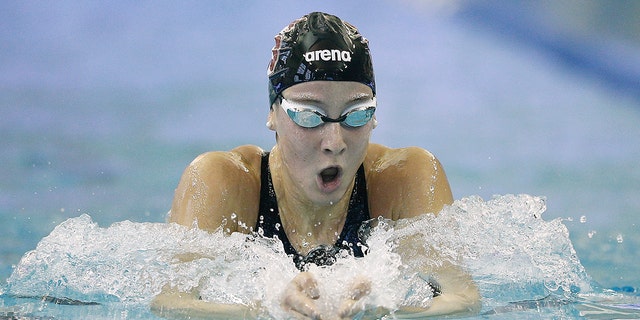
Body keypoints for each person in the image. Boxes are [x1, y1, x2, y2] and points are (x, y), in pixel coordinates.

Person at [152, 11, 480, 319]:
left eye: (356, 113)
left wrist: (388, 309)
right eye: (309, 115)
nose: (334, 141)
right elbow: (169, 304)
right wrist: (266, 310)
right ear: (273, 113)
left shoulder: (406, 178)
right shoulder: (223, 181)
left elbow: (463, 299)